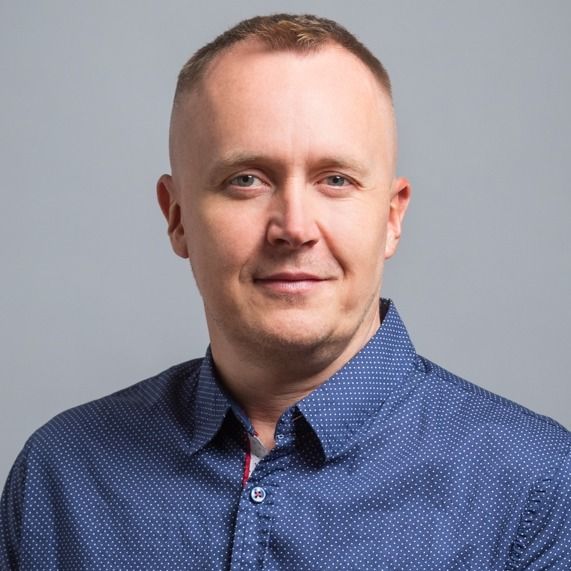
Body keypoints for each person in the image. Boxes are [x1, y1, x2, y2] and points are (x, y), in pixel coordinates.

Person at [1, 12, 570, 570]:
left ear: (392, 217)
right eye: (246, 180)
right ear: (177, 218)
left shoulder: (536, 489)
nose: (294, 228)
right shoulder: (59, 476)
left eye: (336, 180)